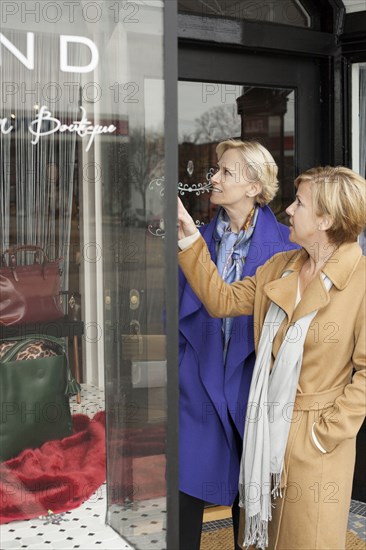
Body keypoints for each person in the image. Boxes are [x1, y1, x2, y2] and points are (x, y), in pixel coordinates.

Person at [177, 165, 366, 550]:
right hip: (263, 433)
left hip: (317, 445)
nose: (289, 211)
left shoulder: (361, 281)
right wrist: (189, 238)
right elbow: (221, 300)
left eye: (299, 203)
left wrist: (322, 434)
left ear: (327, 218)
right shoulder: (280, 267)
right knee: (258, 541)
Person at [178, 139, 298, 550]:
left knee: (250, 502)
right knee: (185, 488)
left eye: (225, 172)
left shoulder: (288, 246)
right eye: (216, 170)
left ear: (253, 186)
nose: (214, 178)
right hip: (197, 382)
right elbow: (175, 311)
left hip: (253, 386)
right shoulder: (192, 239)